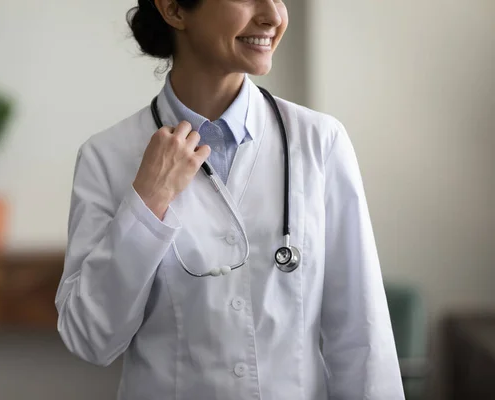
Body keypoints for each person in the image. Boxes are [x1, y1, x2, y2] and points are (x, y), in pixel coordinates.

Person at [54, 0, 405, 399]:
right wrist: (149, 200)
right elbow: (90, 338)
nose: (273, 16)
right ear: (174, 10)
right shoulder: (108, 157)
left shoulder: (319, 142)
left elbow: (362, 337)